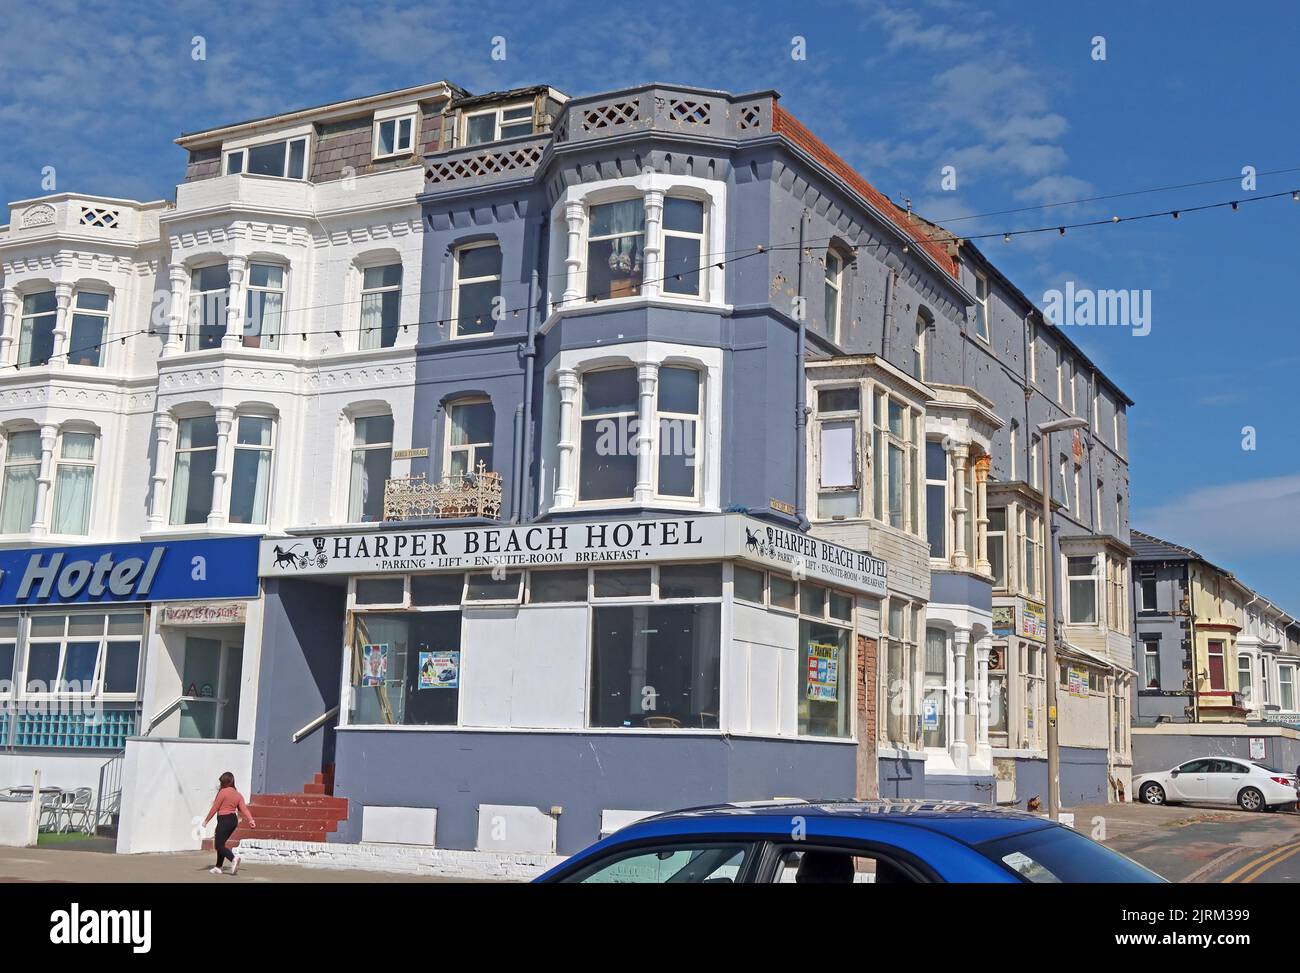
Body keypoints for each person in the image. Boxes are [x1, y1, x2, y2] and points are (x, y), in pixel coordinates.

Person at [203, 771, 255, 876]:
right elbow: (244, 809)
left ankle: (233, 859)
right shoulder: (238, 794)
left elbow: (215, 807)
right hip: (233, 820)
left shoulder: (223, 792)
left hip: (224, 820)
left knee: (218, 845)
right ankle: (218, 867)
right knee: (221, 844)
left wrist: (206, 820)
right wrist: (251, 820)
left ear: (224, 782)